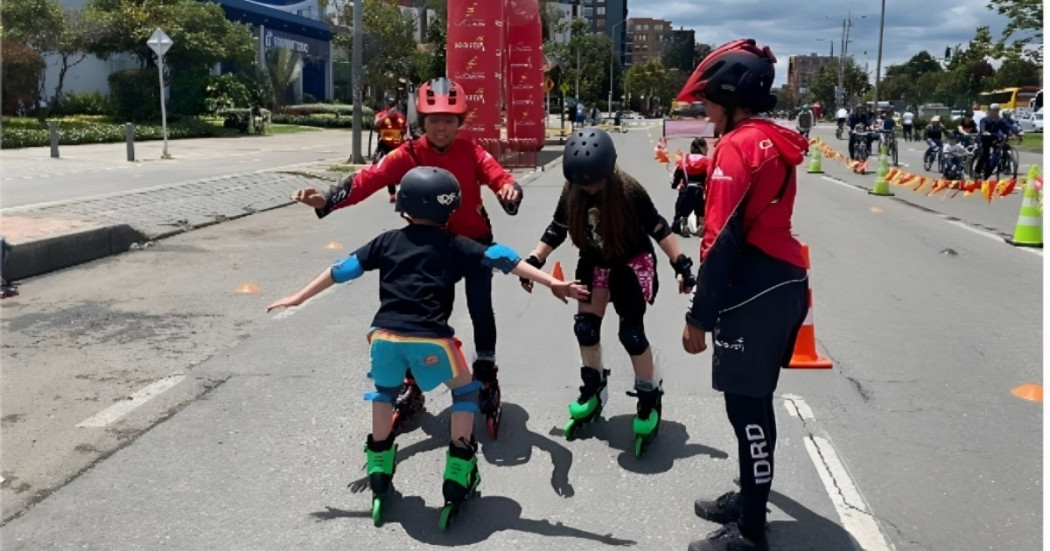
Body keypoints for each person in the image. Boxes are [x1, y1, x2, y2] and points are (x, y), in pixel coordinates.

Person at [268, 167, 587, 528]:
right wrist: (552, 283)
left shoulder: (385, 241)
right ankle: (457, 474)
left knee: (383, 394)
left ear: (403, 205)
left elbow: (341, 270)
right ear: (450, 209)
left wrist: (298, 297)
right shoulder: (457, 244)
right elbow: (507, 260)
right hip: (431, 340)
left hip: (383, 339)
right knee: (465, 392)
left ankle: (378, 469)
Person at [291, 77, 524, 439]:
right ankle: (415, 379)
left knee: (480, 305)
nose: (442, 127)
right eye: (434, 120)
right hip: (434, 244)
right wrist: (327, 199)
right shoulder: (411, 153)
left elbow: (497, 175)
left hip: (474, 240)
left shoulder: (471, 148)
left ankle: (486, 370)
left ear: (459, 121)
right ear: (422, 122)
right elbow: (369, 178)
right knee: (431, 310)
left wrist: (508, 190)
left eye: (449, 119)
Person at [676, 38, 810, 551]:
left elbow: (722, 237)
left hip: (754, 288)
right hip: (781, 281)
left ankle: (751, 532)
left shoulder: (735, 146)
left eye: (709, 104)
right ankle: (751, 498)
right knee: (752, 406)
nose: (705, 115)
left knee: (748, 411)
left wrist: (699, 316)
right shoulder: (772, 137)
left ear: (732, 98)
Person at [519, 127, 697, 455]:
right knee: (585, 329)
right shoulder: (572, 189)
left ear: (609, 171)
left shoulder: (628, 190)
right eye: (581, 183)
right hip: (594, 261)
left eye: (593, 182)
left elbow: (659, 227)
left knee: (631, 334)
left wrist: (681, 263)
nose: (587, 188)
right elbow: (557, 228)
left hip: (630, 263)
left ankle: (648, 395)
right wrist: (535, 259)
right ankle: (593, 387)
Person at [670, 137, 711, 237]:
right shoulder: (707, 161)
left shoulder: (684, 160)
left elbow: (677, 175)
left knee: (681, 209)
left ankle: (683, 223)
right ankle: (702, 225)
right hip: (700, 191)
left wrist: (674, 185)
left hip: (687, 191)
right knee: (701, 211)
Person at [373, 95, 410, 203]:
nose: (392, 108)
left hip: (398, 146)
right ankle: (392, 193)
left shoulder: (401, 117)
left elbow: (405, 130)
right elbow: (376, 124)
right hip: (385, 145)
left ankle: (401, 189)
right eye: (389, 106)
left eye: (393, 105)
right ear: (386, 106)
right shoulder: (381, 115)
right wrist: (386, 116)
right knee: (388, 169)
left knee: (401, 169)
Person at [975, 103, 1014, 178]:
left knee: (1004, 149)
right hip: (985, 139)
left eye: (997, 110)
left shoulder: (1000, 120)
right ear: (989, 111)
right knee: (985, 154)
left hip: (995, 139)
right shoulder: (984, 120)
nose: (996, 112)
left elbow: (1008, 126)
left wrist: (1017, 131)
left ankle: (1005, 166)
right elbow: (982, 128)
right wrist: (984, 132)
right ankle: (977, 171)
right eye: (994, 110)